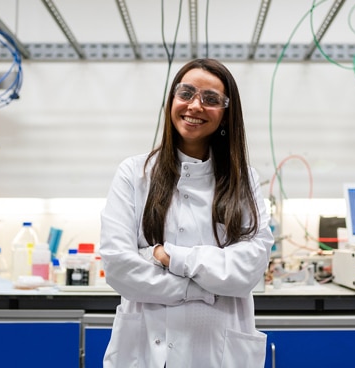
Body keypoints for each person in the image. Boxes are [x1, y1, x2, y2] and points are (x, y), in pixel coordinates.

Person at [99, 58, 274, 368]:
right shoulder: (134, 174)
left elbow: (247, 270)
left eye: (211, 99)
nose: (195, 106)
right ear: (172, 101)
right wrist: (201, 288)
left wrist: (168, 257)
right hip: (145, 351)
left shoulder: (243, 181)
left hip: (218, 352)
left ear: (225, 113)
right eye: (186, 93)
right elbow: (119, 266)